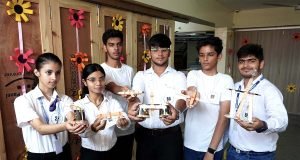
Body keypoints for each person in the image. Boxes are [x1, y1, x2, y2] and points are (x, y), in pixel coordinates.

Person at [14, 53, 86, 160]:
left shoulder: (65, 99)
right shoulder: (23, 101)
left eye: (57, 73)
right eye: (49, 72)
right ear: (37, 72)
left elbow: (71, 116)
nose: (54, 77)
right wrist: (66, 126)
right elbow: (40, 128)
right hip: (39, 156)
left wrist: (77, 124)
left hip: (63, 152)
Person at [128, 33, 186, 160]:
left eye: (164, 50)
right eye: (155, 50)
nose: (160, 54)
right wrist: (133, 106)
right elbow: (137, 96)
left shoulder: (179, 76)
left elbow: (182, 99)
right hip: (145, 136)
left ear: (169, 53)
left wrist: (176, 111)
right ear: (149, 53)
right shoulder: (140, 76)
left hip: (171, 137)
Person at [227, 44, 288, 160]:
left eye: (251, 61)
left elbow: (282, 121)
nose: (245, 65)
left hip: (258, 155)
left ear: (261, 64)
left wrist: (262, 125)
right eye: (241, 61)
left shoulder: (269, 90)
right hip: (233, 151)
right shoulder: (235, 87)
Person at [183, 37, 234, 160]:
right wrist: (192, 95)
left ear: (219, 56)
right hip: (190, 144)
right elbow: (192, 89)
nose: (205, 59)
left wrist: (211, 150)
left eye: (210, 55)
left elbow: (223, 119)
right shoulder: (193, 74)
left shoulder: (226, 80)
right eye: (202, 55)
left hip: (213, 147)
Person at [74, 63, 131, 160]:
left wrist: (124, 122)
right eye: (92, 80)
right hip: (90, 154)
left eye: (101, 79)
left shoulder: (112, 102)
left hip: (113, 151)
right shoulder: (78, 105)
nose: (98, 83)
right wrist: (93, 129)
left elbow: (124, 117)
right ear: (84, 82)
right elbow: (81, 133)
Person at [100, 29, 135, 160]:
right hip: (108, 128)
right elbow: (109, 85)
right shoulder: (100, 69)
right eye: (111, 44)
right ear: (105, 47)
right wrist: (119, 88)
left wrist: (133, 98)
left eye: (119, 44)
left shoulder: (129, 70)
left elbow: (133, 97)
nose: (116, 48)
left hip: (128, 127)